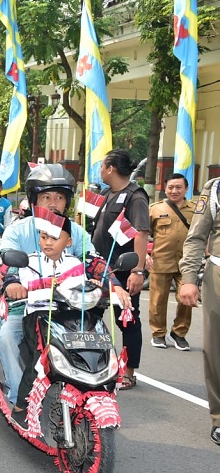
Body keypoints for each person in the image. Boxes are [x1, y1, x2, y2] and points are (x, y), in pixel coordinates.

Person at [0, 163, 115, 407]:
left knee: (97, 335)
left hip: (69, 308)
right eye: (46, 197)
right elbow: (8, 262)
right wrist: (12, 282)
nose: (53, 203)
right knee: (9, 336)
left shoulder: (76, 232)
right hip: (27, 306)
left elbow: (93, 261)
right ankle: (18, 398)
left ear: (67, 202)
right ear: (34, 200)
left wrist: (112, 283)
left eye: (59, 197)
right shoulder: (18, 230)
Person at [7, 220, 131, 430]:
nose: (47, 242)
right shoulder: (27, 262)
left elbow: (96, 279)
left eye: (54, 238)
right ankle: (20, 408)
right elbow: (10, 277)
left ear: (69, 241)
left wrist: (110, 287)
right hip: (40, 317)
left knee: (94, 348)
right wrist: (13, 285)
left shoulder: (78, 263)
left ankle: (94, 392)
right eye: (43, 236)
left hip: (73, 317)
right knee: (39, 361)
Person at [91, 149, 150, 390]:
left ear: (111, 168)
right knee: (88, 317)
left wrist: (137, 271)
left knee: (127, 321)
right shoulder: (106, 193)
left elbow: (141, 233)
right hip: (97, 269)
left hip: (122, 271)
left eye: (102, 166)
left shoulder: (135, 196)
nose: (100, 170)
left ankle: (129, 372)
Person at [178, 174, 220, 446]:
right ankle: (219, 417)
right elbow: (196, 238)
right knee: (216, 351)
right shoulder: (216, 188)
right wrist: (190, 279)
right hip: (219, 276)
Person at [148, 173, 194, 350]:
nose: (174, 191)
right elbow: (143, 233)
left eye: (178, 187)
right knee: (157, 300)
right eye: (170, 187)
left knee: (186, 299)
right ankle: (158, 334)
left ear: (186, 189)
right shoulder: (155, 209)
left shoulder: (195, 210)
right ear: (165, 188)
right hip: (161, 261)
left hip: (186, 262)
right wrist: (145, 255)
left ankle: (179, 333)